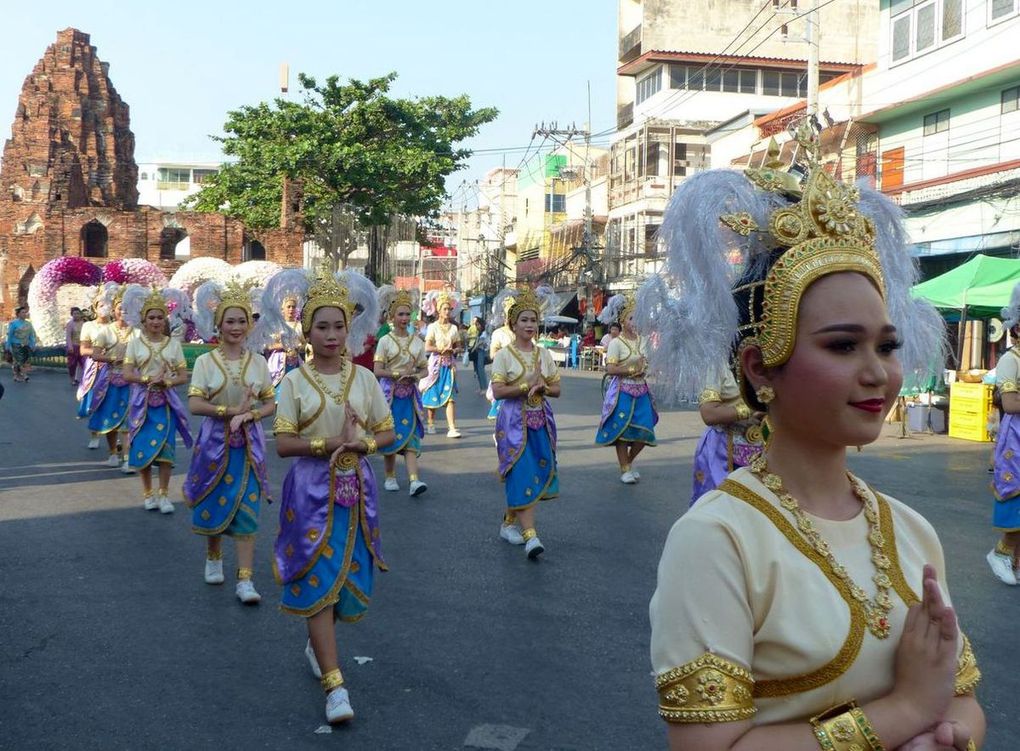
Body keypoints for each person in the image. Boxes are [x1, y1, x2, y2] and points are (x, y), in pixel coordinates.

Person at [642, 136, 984, 750]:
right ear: (760, 367)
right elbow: (709, 748)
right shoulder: (717, 540)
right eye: (842, 345)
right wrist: (906, 713)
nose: (878, 372)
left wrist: (952, 736)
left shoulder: (912, 531)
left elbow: (961, 701)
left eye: (886, 345)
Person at [267, 267, 395, 724]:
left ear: (349, 327)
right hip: (309, 492)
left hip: (355, 492)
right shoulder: (295, 383)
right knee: (318, 582)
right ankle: (335, 685)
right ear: (307, 330)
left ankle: (318, 645)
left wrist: (363, 445)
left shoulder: (362, 379)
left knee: (343, 584)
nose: (332, 335)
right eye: (322, 326)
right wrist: (330, 445)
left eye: (339, 325)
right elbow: (283, 445)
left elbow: (388, 431)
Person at [184, 280, 276, 604]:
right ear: (219, 325)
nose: (236, 327)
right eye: (230, 321)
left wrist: (250, 415)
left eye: (242, 321)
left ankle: (245, 580)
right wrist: (230, 411)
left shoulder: (259, 363)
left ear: (249, 325)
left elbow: (270, 403)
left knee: (247, 510)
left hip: (248, 447)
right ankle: (213, 556)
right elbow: (195, 405)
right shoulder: (207, 363)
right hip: (214, 444)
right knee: (213, 501)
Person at [490, 287, 561, 559]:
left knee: (536, 471)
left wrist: (542, 387)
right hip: (512, 423)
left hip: (540, 420)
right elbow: (497, 392)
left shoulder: (543, 354)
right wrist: (524, 385)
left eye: (533, 320)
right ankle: (531, 535)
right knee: (520, 471)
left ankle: (509, 523)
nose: (530, 325)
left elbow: (557, 389)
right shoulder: (504, 356)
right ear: (513, 324)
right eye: (524, 320)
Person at [121, 286, 194, 513]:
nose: (156, 321)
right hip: (141, 403)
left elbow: (183, 375)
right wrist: (148, 378)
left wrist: (167, 382)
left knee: (166, 451)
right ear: (144, 320)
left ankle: (163, 495)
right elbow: (126, 374)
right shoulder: (134, 344)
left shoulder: (172, 345)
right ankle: (148, 494)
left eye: (160, 317)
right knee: (142, 448)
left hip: (166, 403)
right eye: (151, 317)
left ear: (165, 320)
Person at [595, 293, 658, 484]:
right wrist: (631, 369)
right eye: (631, 318)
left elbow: (648, 362)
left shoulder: (644, 341)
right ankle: (624, 469)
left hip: (641, 390)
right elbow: (611, 368)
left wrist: (645, 368)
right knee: (621, 431)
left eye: (638, 318)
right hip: (622, 391)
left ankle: (629, 462)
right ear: (623, 321)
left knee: (645, 429)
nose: (635, 322)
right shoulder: (615, 343)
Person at [374, 286, 429, 496]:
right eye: (401, 314)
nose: (405, 318)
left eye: (408, 314)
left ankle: (414, 480)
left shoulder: (417, 342)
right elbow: (377, 370)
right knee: (391, 435)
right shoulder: (385, 341)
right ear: (392, 316)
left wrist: (415, 376)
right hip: (390, 395)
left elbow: (424, 369)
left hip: (410, 396)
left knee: (412, 437)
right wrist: (396, 375)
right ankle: (390, 476)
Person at [690, 365, 764, 505]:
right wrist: (751, 410)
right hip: (723, 451)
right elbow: (709, 414)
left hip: (766, 450)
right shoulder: (717, 364)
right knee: (720, 508)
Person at [987, 283, 1020, 585]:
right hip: (1017, 439)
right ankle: (1001, 552)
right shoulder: (1010, 360)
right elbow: (1010, 404)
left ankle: (1015, 561)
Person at [87, 286, 136, 472]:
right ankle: (113, 453)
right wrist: (113, 359)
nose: (123, 312)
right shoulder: (105, 332)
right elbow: (96, 355)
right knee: (110, 418)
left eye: (126, 309)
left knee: (129, 419)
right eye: (119, 309)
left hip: (132, 379)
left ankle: (127, 458)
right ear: (114, 311)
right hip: (111, 379)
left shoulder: (137, 332)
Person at [419, 290, 463, 438]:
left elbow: (459, 346)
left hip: (449, 365)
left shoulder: (454, 328)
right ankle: (431, 422)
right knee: (433, 393)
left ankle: (452, 427)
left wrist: (454, 349)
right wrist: (440, 349)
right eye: (445, 308)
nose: (448, 311)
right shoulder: (433, 327)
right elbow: (427, 347)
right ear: (439, 310)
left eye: (449, 309)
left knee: (450, 397)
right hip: (436, 364)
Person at [78, 285, 115, 449]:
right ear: (95, 307)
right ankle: (94, 433)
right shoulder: (89, 326)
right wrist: (100, 352)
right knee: (95, 400)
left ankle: (115, 431)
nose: (104, 308)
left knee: (113, 400)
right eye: (101, 305)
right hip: (95, 367)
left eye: (107, 304)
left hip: (114, 368)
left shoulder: (116, 326)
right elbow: (83, 349)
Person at [486, 290, 520, 421]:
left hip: (520, 375)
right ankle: (501, 435)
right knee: (502, 411)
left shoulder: (522, 333)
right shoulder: (499, 333)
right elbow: (492, 354)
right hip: (504, 374)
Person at [267, 294, 305, 399]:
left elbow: (305, 344)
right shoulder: (277, 325)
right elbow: (268, 345)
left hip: (295, 362)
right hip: (279, 362)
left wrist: (299, 347)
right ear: (283, 309)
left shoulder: (299, 326)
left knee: (295, 391)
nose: (291, 309)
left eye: (293, 307)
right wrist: (283, 345)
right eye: (288, 306)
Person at [5, 306, 37, 383]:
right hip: (16, 345)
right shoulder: (13, 324)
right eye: (23, 312)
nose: (25, 314)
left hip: (26, 344)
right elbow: (9, 336)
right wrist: (7, 346)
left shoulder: (28, 324)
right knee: (19, 360)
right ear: (18, 314)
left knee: (22, 361)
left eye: (25, 312)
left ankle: (16, 375)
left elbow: (31, 335)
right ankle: (24, 375)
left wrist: (32, 344)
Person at [65, 307, 84, 385]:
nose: (76, 315)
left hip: (83, 346)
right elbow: (68, 336)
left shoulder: (84, 323)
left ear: (80, 314)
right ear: (72, 315)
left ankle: (81, 379)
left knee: (83, 363)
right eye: (74, 314)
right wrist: (70, 347)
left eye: (77, 313)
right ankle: (72, 379)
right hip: (74, 346)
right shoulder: (70, 324)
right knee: (72, 364)